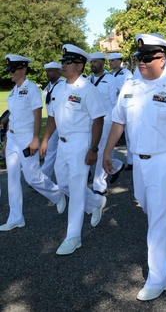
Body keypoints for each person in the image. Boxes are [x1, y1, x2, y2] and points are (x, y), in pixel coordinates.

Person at [103, 33, 166, 301]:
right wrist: (107, 150)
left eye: (148, 58)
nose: (142, 63)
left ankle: (158, 278)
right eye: (139, 58)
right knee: (148, 208)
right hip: (139, 162)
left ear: (163, 59)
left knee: (156, 221)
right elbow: (117, 122)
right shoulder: (130, 85)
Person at [40, 44, 107, 255]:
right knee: (63, 183)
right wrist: (44, 140)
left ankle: (73, 236)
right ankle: (96, 201)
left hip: (80, 142)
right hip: (62, 143)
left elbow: (98, 120)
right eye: (62, 61)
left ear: (79, 65)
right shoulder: (59, 88)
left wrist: (93, 148)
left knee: (76, 190)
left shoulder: (87, 89)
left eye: (67, 62)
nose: (63, 65)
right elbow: (52, 116)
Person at [0, 54, 66, 232]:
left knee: (32, 176)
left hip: (27, 138)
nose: (10, 74)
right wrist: (6, 140)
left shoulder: (32, 90)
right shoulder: (14, 91)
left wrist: (36, 138)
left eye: (13, 70)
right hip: (13, 138)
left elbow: (38, 115)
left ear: (23, 69)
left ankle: (57, 193)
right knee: (12, 179)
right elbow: (11, 118)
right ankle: (16, 218)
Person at [88, 52, 124, 194]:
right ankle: (116, 165)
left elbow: (116, 103)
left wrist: (117, 124)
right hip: (90, 122)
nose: (92, 65)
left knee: (102, 151)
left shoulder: (110, 80)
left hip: (106, 121)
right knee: (90, 149)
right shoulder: (87, 80)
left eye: (95, 62)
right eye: (91, 62)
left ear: (102, 63)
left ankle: (99, 185)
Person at [108, 52, 133, 171]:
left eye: (113, 60)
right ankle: (110, 160)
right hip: (112, 108)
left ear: (119, 61)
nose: (111, 63)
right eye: (109, 61)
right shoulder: (109, 75)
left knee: (129, 135)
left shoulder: (126, 73)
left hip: (125, 106)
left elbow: (129, 90)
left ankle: (131, 161)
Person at [40, 61, 63, 179]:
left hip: (62, 122)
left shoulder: (62, 86)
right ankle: (44, 176)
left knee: (62, 152)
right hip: (52, 122)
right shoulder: (47, 87)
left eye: (50, 71)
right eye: (47, 71)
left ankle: (43, 176)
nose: (47, 73)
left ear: (58, 71)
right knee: (51, 149)